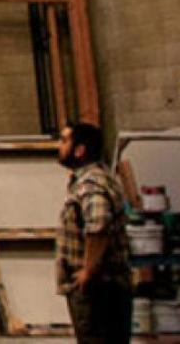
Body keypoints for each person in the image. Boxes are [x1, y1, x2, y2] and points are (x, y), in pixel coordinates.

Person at [56, 121, 131, 344]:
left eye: (64, 141)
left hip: (99, 290)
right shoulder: (90, 179)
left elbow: (98, 224)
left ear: (79, 150)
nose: (59, 146)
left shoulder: (91, 183)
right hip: (99, 288)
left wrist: (88, 270)